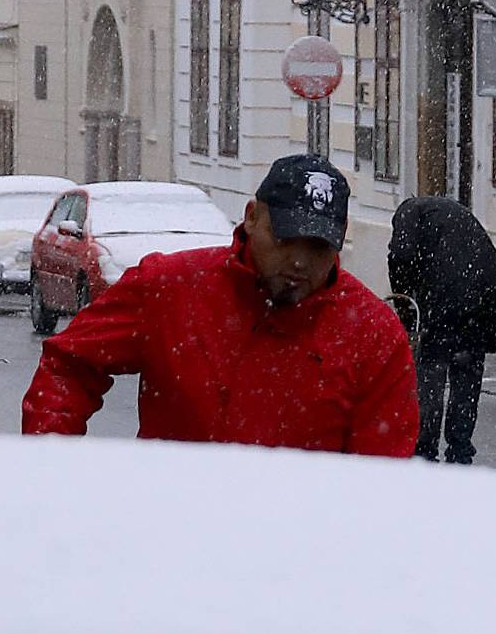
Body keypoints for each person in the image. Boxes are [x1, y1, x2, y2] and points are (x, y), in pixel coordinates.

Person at [22, 154, 418, 456]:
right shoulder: (170, 287)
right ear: (251, 218)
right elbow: (70, 365)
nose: (299, 261)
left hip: (298, 549)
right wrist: (54, 465)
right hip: (171, 535)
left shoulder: (372, 333)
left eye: (317, 247)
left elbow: (381, 474)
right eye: (285, 239)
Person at [388, 190, 496, 465]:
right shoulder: (457, 213)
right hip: (481, 299)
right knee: (466, 375)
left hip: (442, 305)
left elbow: (400, 256)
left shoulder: (407, 213)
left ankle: (424, 450)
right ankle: (460, 447)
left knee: (430, 376)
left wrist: (406, 310)